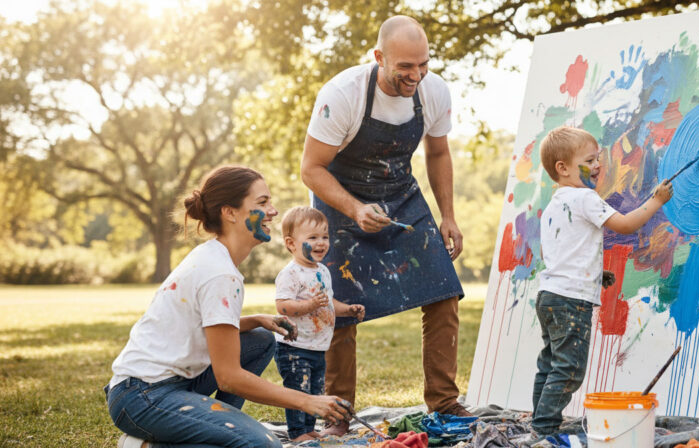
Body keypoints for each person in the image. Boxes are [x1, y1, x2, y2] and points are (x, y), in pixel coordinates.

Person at [301, 15, 469, 434]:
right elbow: (311, 169)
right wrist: (356, 208)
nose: (416, 75)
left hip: (401, 196)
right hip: (340, 199)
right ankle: (338, 413)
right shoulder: (342, 94)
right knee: (340, 308)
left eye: (423, 64)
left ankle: (445, 403)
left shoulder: (434, 92)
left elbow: (438, 154)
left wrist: (447, 215)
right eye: (405, 67)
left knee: (445, 291)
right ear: (379, 57)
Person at [105, 166, 349, 448]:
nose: (273, 210)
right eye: (262, 203)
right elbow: (229, 377)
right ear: (230, 213)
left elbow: (203, 325)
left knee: (260, 341)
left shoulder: (214, 256)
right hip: (142, 395)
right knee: (263, 445)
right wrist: (309, 401)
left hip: (176, 382)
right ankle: (149, 445)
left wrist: (256, 319)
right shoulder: (220, 273)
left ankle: (221, 429)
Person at [530, 126, 673, 437]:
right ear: (563, 168)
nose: (597, 166)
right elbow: (624, 225)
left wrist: (596, 273)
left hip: (549, 295)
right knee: (569, 368)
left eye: (597, 159)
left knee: (551, 361)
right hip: (571, 301)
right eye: (590, 160)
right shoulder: (585, 198)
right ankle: (544, 430)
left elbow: (561, 250)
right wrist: (656, 201)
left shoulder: (555, 204)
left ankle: (539, 422)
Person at [272, 206, 366, 442]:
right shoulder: (291, 273)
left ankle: (310, 428)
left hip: (316, 347)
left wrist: (347, 309)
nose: (321, 242)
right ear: (291, 244)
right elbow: (282, 306)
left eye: (325, 236)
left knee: (314, 391)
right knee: (298, 391)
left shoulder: (323, 270)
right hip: (293, 347)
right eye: (312, 238)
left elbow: (328, 301)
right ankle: (297, 433)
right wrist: (308, 306)